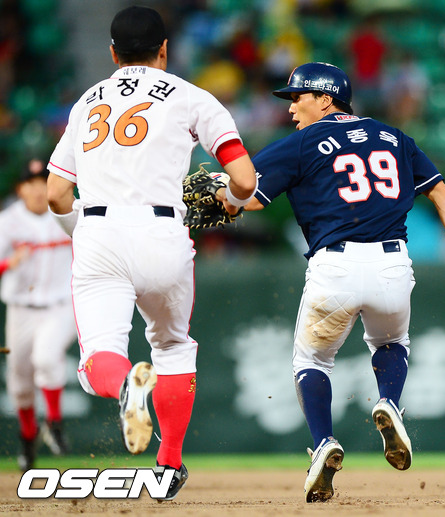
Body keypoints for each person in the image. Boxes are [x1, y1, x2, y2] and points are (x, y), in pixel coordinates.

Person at [243, 62, 445, 502]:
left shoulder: (301, 143)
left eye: (298, 97)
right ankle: (389, 401)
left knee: (313, 360)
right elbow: (441, 193)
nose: (291, 107)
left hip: (334, 266)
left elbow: (250, 196)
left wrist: (218, 194)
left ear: (325, 99)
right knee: (391, 343)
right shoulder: (394, 137)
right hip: (393, 265)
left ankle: (323, 443)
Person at [46, 6, 257, 501]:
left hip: (98, 232)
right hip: (164, 231)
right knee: (173, 347)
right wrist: (230, 201)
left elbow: (56, 194)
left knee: (101, 355)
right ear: (165, 49)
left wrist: (84, 229)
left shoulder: (86, 103)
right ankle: (169, 464)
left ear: (113, 53)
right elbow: (245, 181)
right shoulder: (192, 97)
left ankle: (126, 386)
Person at [0, 158, 76, 471]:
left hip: (61, 305)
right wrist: (8, 263)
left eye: (41, 183)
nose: (36, 189)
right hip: (21, 310)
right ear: (20, 189)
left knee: (46, 357)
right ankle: (28, 436)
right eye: (30, 184)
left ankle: (54, 423)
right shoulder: (7, 221)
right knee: (19, 383)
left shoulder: (68, 213)